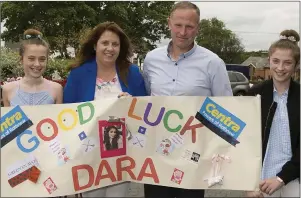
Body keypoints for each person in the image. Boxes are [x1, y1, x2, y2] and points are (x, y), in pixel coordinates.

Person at [142, 1, 232, 198]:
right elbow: (148, 99)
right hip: (157, 155)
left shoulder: (213, 63)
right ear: (169, 23)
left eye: (189, 26)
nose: (183, 32)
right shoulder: (150, 60)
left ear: (198, 28)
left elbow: (226, 108)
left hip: (193, 156)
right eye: (178, 25)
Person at [63, 21, 147, 197]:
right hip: (89, 156)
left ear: (120, 47)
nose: (110, 48)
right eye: (105, 43)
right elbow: (67, 114)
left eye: (115, 44)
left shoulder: (132, 73)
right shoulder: (78, 74)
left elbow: (144, 110)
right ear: (95, 45)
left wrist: (132, 104)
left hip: (122, 157)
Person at [246, 29, 300, 197]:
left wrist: (282, 178)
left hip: (294, 179)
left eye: (287, 63)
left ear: (297, 65)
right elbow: (242, 139)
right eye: (276, 61)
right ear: (268, 61)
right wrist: (247, 181)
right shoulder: (254, 94)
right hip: (262, 179)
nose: (280, 68)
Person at [2, 29, 63, 106]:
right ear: (21, 59)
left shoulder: (56, 89)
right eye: (31, 58)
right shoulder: (8, 89)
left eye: (42, 59)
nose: (37, 64)